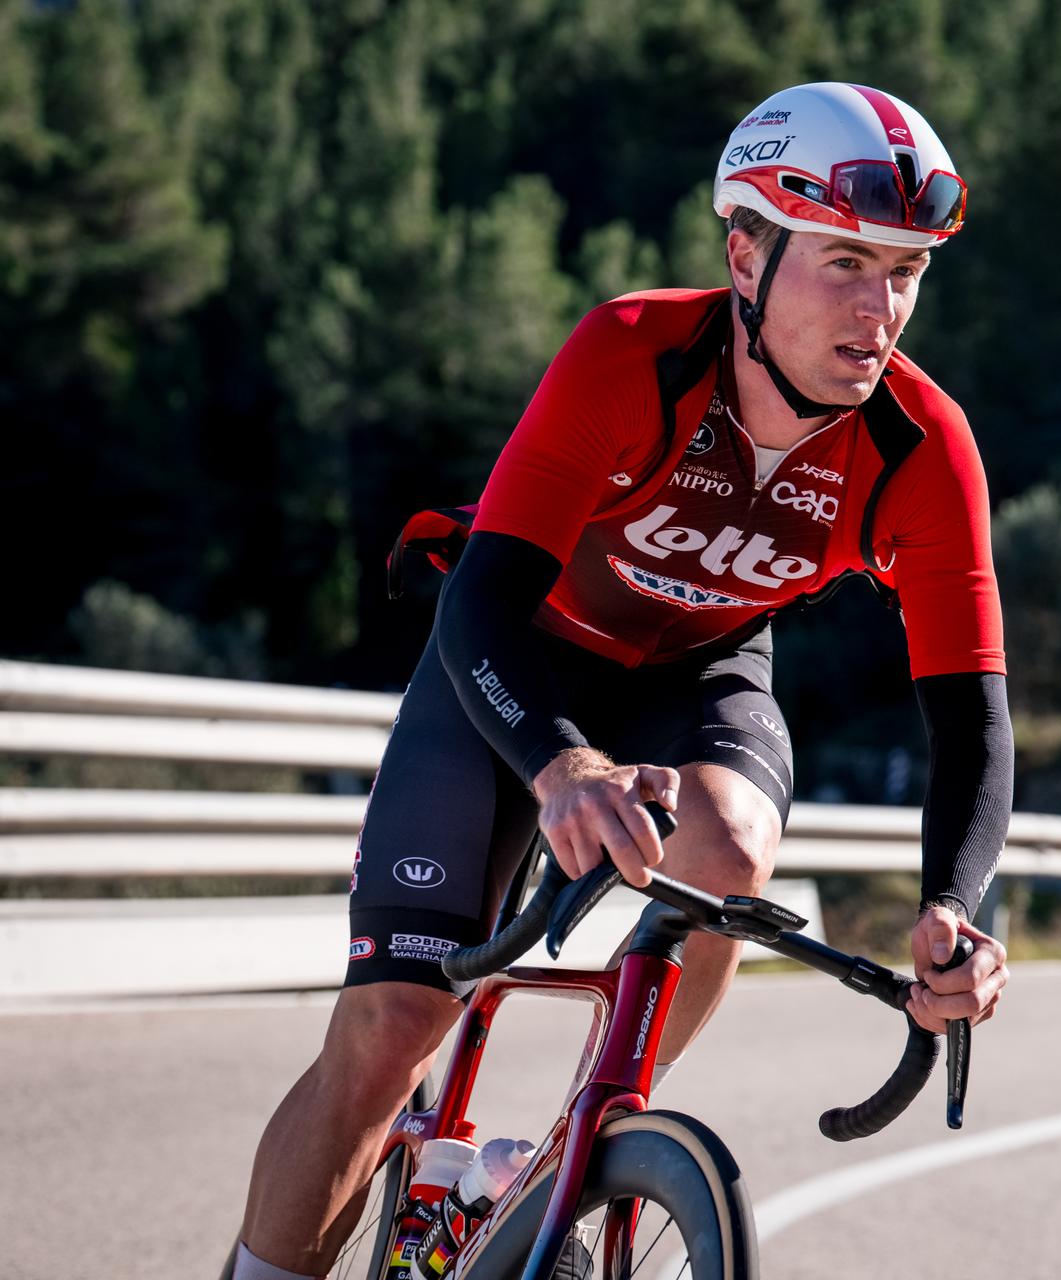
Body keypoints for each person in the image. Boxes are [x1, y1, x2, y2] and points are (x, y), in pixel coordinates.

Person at [232, 82, 1014, 1280]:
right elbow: (480, 598)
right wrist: (561, 765)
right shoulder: (633, 352)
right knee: (392, 1028)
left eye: (907, 270)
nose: (884, 308)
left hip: (698, 670)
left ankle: (583, 1145)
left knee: (735, 847)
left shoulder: (923, 442)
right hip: (520, 658)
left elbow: (969, 715)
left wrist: (953, 906)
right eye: (848, 261)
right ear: (745, 255)